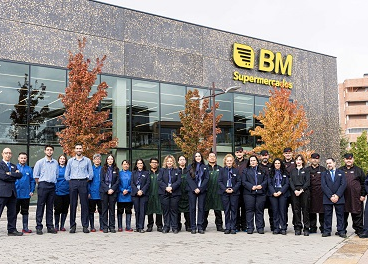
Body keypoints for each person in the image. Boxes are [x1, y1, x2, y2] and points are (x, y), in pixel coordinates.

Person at [65, 143, 93, 234]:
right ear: (74, 150)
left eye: (80, 148)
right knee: (73, 204)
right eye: (77, 148)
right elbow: (66, 174)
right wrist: (71, 181)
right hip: (73, 182)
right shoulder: (70, 161)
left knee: (84, 205)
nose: (78, 150)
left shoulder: (87, 160)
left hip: (83, 182)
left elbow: (91, 173)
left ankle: (85, 225)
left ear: (82, 149)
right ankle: (72, 226)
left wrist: (86, 179)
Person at [33, 145, 58, 235]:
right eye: (47, 150)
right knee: (40, 206)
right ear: (45, 151)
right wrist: (41, 184)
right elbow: (36, 176)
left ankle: (50, 226)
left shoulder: (55, 163)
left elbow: (57, 174)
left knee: (50, 207)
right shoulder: (40, 162)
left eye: (51, 150)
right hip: (43, 185)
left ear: (53, 152)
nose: (49, 151)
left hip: (52, 185)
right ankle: (39, 226)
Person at [339, 153, 366, 236]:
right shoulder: (340, 170)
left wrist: (363, 195)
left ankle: (359, 230)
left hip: (356, 197)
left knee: (357, 214)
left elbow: (364, 183)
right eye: (347, 159)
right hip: (343, 197)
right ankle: (342, 230)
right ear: (344, 160)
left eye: (350, 159)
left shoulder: (359, 170)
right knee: (343, 214)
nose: (348, 161)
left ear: (353, 160)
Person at [0, 147, 23, 236]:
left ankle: (12, 230)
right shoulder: (0, 164)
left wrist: (10, 174)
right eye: (6, 153)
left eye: (9, 153)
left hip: (12, 193)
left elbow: (20, 175)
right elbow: (3, 176)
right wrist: (14, 175)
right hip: (2, 193)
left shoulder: (13, 165)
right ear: (2, 154)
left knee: (12, 213)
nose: (8, 155)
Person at [321, 158, 347, 238]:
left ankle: (341, 231)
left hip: (339, 198)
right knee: (327, 215)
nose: (329, 165)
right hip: (328, 198)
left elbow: (343, 184)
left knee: (340, 215)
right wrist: (330, 196)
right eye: (327, 163)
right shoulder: (324, 174)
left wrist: (337, 195)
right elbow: (323, 185)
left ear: (334, 163)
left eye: (330, 163)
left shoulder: (341, 173)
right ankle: (327, 231)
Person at [242, 155, 267, 234]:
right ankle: (250, 227)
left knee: (259, 210)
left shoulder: (262, 170)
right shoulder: (245, 171)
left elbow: (266, 180)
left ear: (257, 162)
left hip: (260, 193)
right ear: (249, 162)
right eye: (251, 160)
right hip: (249, 193)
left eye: (254, 160)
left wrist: (261, 186)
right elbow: (244, 181)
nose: (252, 162)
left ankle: (260, 227)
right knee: (249, 210)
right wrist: (251, 187)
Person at [158, 155, 181, 233]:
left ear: (173, 162)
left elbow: (179, 181)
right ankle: (166, 226)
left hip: (175, 193)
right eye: (168, 161)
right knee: (166, 210)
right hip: (164, 193)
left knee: (174, 210)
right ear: (165, 162)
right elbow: (159, 181)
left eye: (171, 161)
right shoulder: (161, 170)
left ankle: (174, 227)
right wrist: (166, 188)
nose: (169, 162)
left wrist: (172, 187)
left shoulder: (177, 170)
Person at [218, 154, 241, 234]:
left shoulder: (236, 171)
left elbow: (239, 181)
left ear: (232, 162)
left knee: (234, 210)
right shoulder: (221, 170)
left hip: (234, 193)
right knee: (226, 210)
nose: (229, 162)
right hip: (225, 193)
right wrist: (225, 189)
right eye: (227, 161)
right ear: (225, 162)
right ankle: (227, 227)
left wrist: (233, 189)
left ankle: (233, 227)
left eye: (230, 161)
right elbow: (219, 181)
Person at [187, 152, 209, 234]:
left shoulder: (205, 167)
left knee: (201, 208)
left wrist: (200, 188)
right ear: (194, 157)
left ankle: (200, 226)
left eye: (199, 156)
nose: (198, 157)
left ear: (201, 157)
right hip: (192, 190)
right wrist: (194, 188)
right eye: (196, 156)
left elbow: (206, 179)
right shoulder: (190, 167)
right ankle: (193, 227)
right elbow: (188, 178)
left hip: (202, 190)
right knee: (192, 208)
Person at [289, 154, 310, 236]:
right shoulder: (292, 171)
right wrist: (294, 190)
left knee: (305, 210)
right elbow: (290, 181)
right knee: (296, 210)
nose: (298, 161)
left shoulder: (306, 170)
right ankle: (298, 227)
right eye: (297, 160)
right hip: (294, 192)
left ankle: (306, 228)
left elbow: (307, 182)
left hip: (304, 191)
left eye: (300, 160)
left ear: (302, 161)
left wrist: (301, 190)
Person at [268, 158, 290, 235]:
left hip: (283, 193)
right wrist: (274, 192)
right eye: (276, 163)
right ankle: (276, 228)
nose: (277, 165)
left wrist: (281, 191)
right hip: (273, 194)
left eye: (278, 163)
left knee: (282, 211)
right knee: (275, 211)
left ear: (281, 164)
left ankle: (283, 228)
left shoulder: (285, 172)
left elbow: (287, 184)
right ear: (274, 165)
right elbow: (269, 184)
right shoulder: (270, 173)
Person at [306, 153, 326, 234]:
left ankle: (323, 227)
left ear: (319, 160)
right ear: (310, 159)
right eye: (313, 158)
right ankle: (313, 227)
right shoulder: (307, 170)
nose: (315, 160)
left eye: (316, 159)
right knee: (311, 212)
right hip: (310, 193)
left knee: (322, 212)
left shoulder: (323, 169)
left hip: (321, 193)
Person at [15, 152, 35, 233]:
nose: (23, 159)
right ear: (18, 158)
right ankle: (13, 228)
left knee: (25, 211)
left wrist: (32, 190)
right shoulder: (14, 168)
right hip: (16, 194)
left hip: (26, 195)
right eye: (21, 158)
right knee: (14, 212)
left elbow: (32, 181)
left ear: (26, 159)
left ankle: (25, 228)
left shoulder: (29, 169)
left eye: (24, 158)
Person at [204, 152, 224, 232]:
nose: (212, 158)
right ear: (208, 158)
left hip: (217, 192)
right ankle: (203, 226)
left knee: (218, 210)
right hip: (207, 191)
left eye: (213, 156)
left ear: (216, 158)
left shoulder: (220, 168)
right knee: (205, 210)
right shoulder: (204, 168)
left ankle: (219, 226)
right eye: (210, 156)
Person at [100, 154, 120, 233]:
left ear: (113, 160)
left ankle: (112, 226)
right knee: (104, 210)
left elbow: (118, 181)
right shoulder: (103, 169)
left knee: (112, 210)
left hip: (113, 192)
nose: (110, 160)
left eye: (111, 159)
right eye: (108, 159)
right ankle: (105, 226)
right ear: (106, 160)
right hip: (104, 192)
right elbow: (101, 181)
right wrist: (107, 189)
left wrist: (112, 189)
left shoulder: (116, 169)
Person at [131, 159, 150, 233]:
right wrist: (137, 191)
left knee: (142, 211)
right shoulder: (133, 173)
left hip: (143, 194)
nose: (140, 164)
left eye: (141, 163)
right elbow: (132, 183)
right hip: (135, 194)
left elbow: (148, 183)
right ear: (136, 165)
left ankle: (141, 227)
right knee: (137, 211)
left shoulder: (146, 173)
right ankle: (137, 227)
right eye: (138, 163)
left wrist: (142, 191)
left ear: (143, 164)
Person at [146, 157, 163, 232]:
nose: (154, 164)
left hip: (158, 193)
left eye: (156, 162)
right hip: (149, 194)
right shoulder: (147, 173)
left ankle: (159, 225)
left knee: (159, 210)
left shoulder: (161, 172)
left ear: (158, 164)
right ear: (150, 163)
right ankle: (150, 225)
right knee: (149, 210)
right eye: (152, 162)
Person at [258, 150, 274, 231]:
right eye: (263, 155)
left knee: (272, 210)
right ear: (260, 157)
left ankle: (273, 226)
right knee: (260, 210)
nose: (265, 157)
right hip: (261, 192)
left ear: (268, 156)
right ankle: (261, 227)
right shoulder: (258, 167)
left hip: (271, 192)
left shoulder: (272, 166)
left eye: (266, 155)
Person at [54, 154, 69, 232]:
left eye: (63, 159)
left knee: (65, 209)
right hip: (57, 192)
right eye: (61, 159)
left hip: (67, 192)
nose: (62, 160)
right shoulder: (56, 168)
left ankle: (62, 225)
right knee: (57, 209)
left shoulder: (68, 168)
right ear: (58, 160)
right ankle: (56, 225)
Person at [117, 160, 133, 232]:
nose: (126, 165)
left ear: (129, 165)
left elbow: (133, 183)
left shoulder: (131, 174)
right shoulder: (118, 174)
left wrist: (128, 190)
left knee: (128, 211)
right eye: (124, 164)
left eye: (127, 164)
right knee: (120, 211)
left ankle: (128, 226)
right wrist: (122, 190)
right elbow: (117, 183)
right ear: (122, 165)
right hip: (120, 195)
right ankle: (120, 226)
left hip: (129, 195)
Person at [88, 154, 103, 232]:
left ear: (100, 160)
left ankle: (102, 226)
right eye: (95, 159)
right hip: (92, 193)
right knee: (91, 211)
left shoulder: (103, 169)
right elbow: (87, 182)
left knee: (101, 210)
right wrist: (88, 191)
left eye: (99, 159)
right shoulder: (90, 169)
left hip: (101, 194)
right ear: (93, 160)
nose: (97, 160)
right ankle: (92, 226)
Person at [235, 146, 247, 232]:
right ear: (235, 153)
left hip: (245, 188)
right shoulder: (233, 162)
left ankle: (244, 225)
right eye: (237, 152)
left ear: (243, 153)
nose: (239, 154)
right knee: (235, 207)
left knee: (244, 207)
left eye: (240, 152)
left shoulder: (247, 162)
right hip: (235, 188)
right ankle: (236, 226)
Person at [177, 155, 191, 232]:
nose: (182, 161)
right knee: (177, 211)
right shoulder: (176, 170)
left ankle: (188, 225)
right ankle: (178, 225)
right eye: (180, 159)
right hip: (178, 193)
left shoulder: (189, 170)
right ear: (178, 161)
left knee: (187, 211)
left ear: (185, 161)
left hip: (187, 193)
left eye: (183, 159)